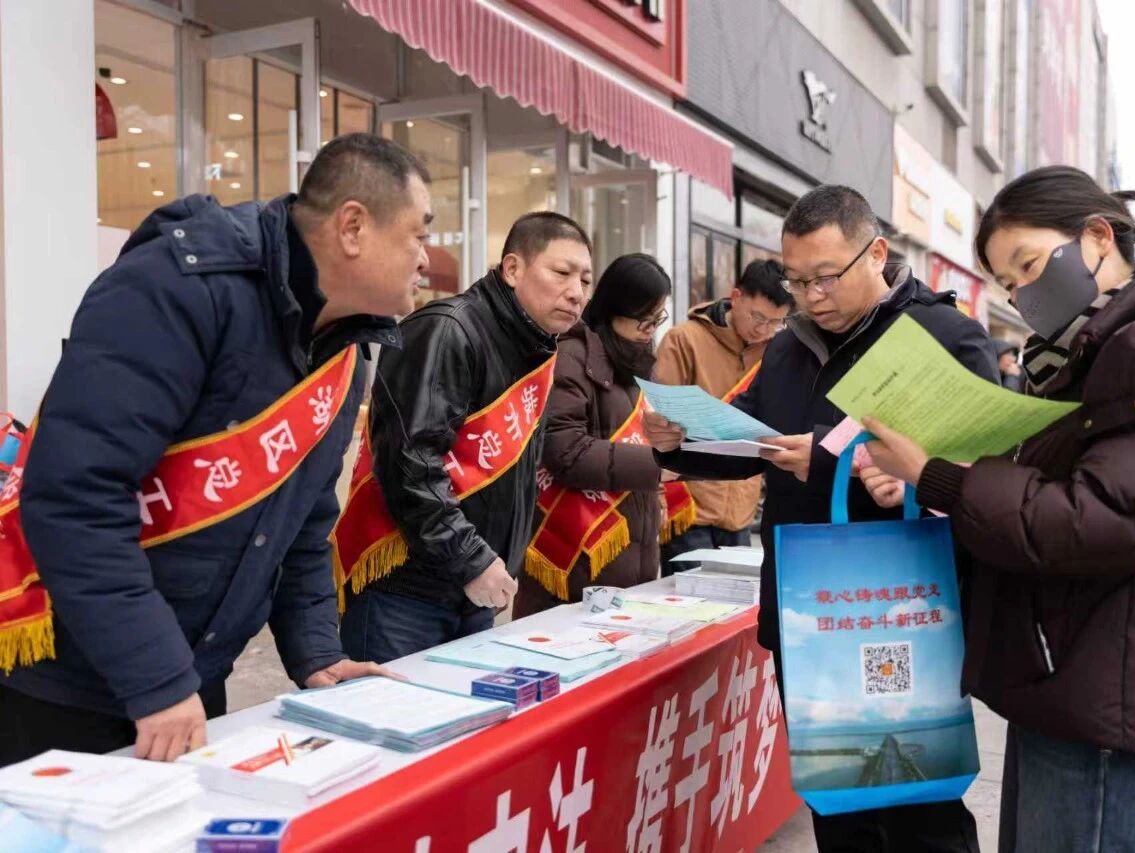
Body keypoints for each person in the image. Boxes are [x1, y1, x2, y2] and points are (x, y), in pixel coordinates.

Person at [861, 165, 1135, 853]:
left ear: (1097, 236)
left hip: (1120, 699)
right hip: (1075, 675)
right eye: (1008, 284)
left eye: (1028, 266)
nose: (1022, 295)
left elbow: (1094, 520)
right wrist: (936, 475)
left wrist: (940, 477)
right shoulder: (1092, 353)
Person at [0, 133, 426, 765]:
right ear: (353, 227)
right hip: (68, 682)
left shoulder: (344, 349)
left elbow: (303, 524)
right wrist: (157, 676)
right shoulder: (177, 288)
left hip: (187, 678)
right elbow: (76, 497)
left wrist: (317, 653)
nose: (426, 259)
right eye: (419, 233)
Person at [644, 185, 997, 852]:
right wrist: (679, 440)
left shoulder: (944, 337)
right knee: (837, 800)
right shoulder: (789, 349)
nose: (811, 297)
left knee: (921, 805)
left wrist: (846, 467)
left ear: (877, 253)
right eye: (797, 281)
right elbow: (756, 443)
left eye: (826, 277)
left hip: (903, 613)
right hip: (809, 610)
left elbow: (985, 479)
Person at [335, 212, 592, 663]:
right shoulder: (447, 330)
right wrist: (472, 560)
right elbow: (411, 464)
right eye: (562, 272)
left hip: (473, 588)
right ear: (513, 269)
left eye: (586, 280)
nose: (577, 292)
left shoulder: (535, 347)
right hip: (407, 593)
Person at [513, 254, 673, 617]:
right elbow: (566, 451)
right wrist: (657, 464)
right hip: (575, 549)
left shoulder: (636, 363)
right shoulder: (570, 357)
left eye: (658, 317)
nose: (651, 328)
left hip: (632, 543)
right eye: (645, 318)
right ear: (614, 308)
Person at [653, 259, 794, 575]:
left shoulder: (775, 353)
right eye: (758, 317)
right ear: (736, 297)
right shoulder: (684, 340)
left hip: (741, 513)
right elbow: (659, 422)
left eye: (776, 322)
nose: (764, 330)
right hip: (689, 510)